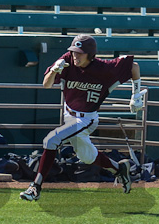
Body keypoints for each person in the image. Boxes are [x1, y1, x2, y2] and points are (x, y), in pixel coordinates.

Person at [20, 34, 145, 201]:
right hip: (69, 115)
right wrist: (53, 71)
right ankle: (119, 168)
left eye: (80, 52)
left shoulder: (104, 68)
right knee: (87, 156)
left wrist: (136, 94)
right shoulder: (67, 60)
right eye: (73, 51)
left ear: (90, 54)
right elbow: (46, 84)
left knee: (51, 140)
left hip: (87, 118)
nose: (75, 55)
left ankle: (35, 187)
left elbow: (133, 66)